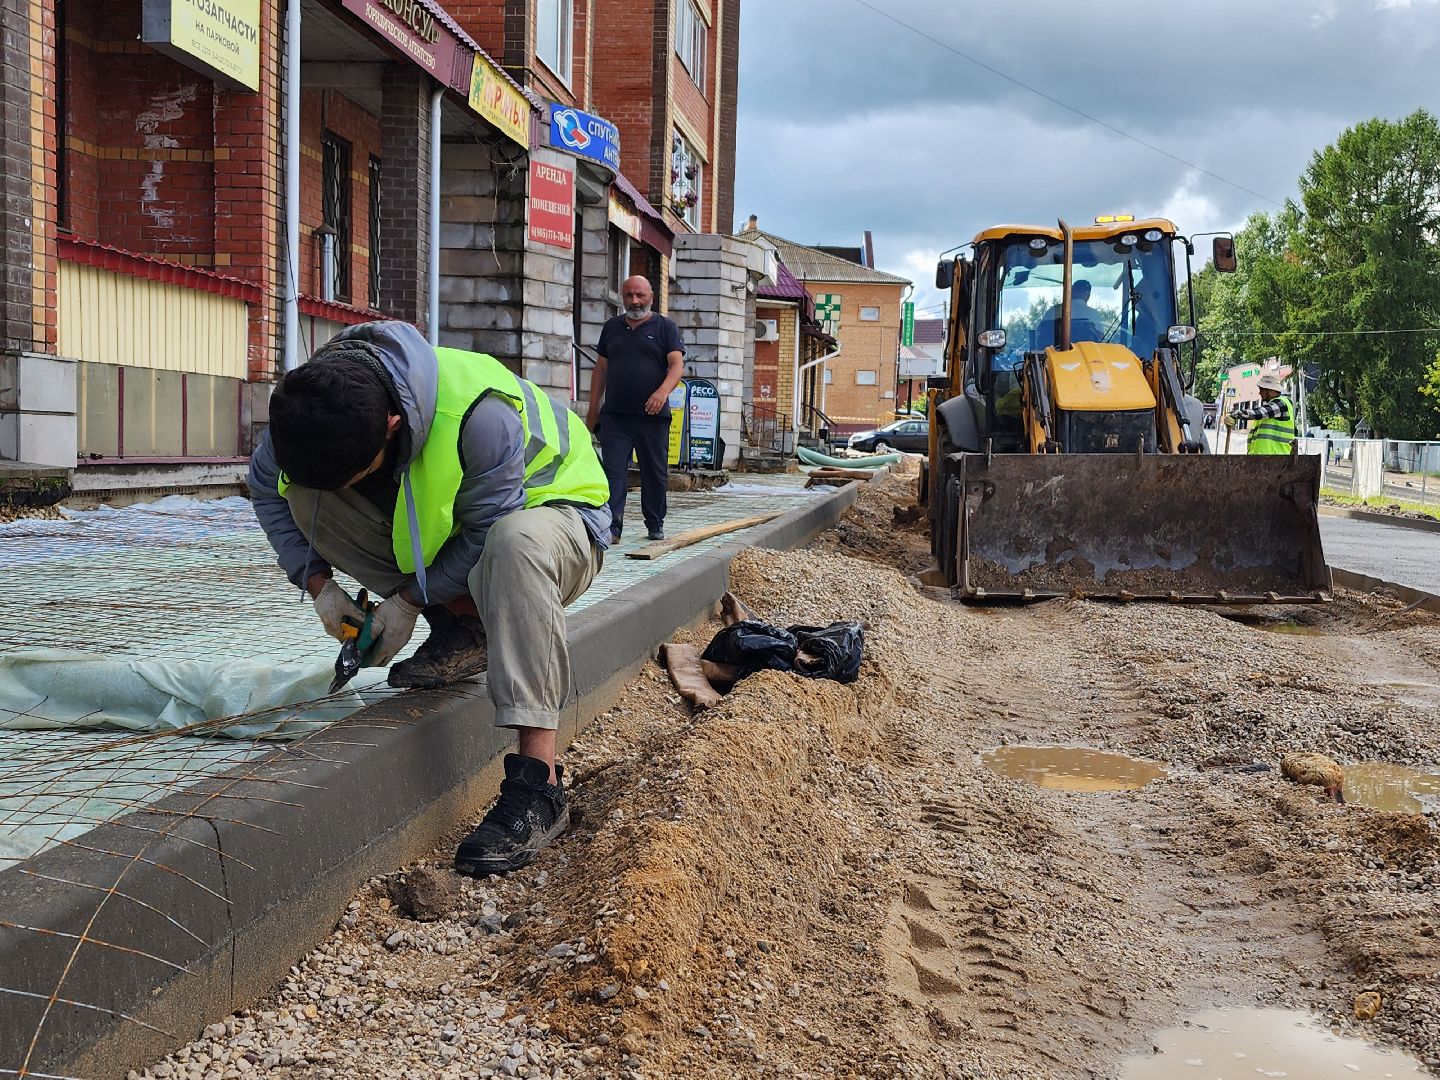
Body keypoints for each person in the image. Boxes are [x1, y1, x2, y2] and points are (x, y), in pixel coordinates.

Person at [248, 321, 612, 876]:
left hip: (558, 522)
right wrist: (320, 587)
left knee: (512, 544)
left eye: (353, 476)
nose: (344, 490)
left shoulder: (478, 416)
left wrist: (408, 601)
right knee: (301, 498)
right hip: (465, 541)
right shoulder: (308, 410)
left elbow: (489, 529)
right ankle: (468, 630)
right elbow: (265, 490)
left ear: (392, 426)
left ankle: (539, 783)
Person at [586, 276, 685, 542]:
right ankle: (613, 526)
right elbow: (601, 370)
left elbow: (677, 365)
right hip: (616, 416)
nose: (634, 301)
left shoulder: (665, 327)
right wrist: (593, 410)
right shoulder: (612, 328)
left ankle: (654, 522)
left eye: (640, 295)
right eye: (629, 295)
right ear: (622, 296)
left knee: (654, 472)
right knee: (613, 472)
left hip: (652, 417)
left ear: (651, 296)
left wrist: (662, 392)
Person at [1225, 373, 1296, 454]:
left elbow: (1257, 413)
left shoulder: (1282, 403)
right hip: (1264, 459)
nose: (1259, 393)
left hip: (1276, 458)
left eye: (1261, 390)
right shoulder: (1271, 406)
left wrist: (1234, 415)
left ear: (1269, 390)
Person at [1039, 280, 1107, 345]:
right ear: (1088, 295)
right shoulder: (1094, 315)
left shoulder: (1052, 311)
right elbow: (1100, 338)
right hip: (1089, 356)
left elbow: (1040, 336)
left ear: (1070, 292)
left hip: (1053, 355)